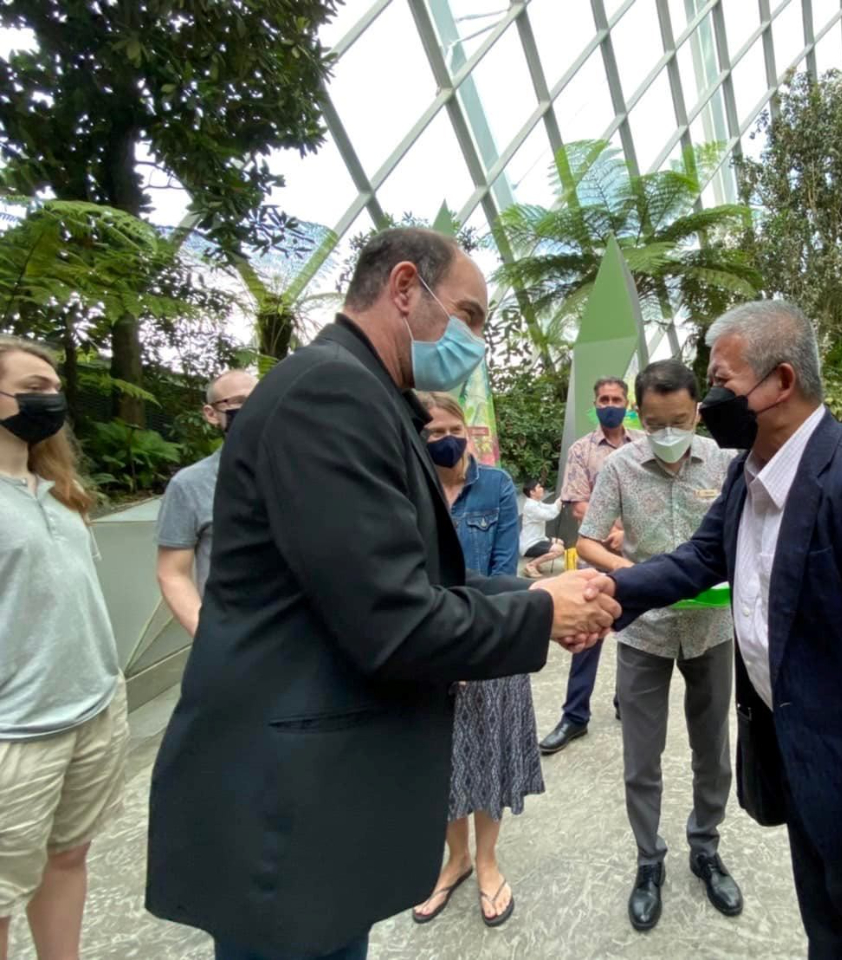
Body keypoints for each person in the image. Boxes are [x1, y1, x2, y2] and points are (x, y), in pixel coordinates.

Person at [145, 227, 618, 960]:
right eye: (469, 315)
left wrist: (540, 593)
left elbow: (405, 578)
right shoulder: (330, 394)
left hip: (313, 799)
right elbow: (393, 621)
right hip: (290, 807)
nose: (475, 341)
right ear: (403, 288)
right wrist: (541, 611)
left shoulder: (362, 393)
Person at [601, 302, 842, 959]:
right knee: (829, 944)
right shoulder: (751, 475)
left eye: (722, 382)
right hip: (816, 786)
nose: (711, 402)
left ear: (781, 382)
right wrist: (607, 595)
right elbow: (700, 558)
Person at [576, 359, 742, 933]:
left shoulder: (724, 461)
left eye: (679, 421)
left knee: (712, 749)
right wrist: (636, 577)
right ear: (638, 417)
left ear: (698, 411)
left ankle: (706, 848)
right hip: (644, 630)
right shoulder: (620, 466)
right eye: (653, 424)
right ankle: (649, 861)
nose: (667, 433)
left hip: (711, 629)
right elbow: (588, 540)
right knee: (641, 757)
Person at [0, 337, 130, 960]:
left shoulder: (60, 488)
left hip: (93, 710)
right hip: (16, 731)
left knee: (69, 856)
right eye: (33, 388)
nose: (50, 399)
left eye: (53, 388)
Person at [410, 392, 543, 929]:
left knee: (489, 757)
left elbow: (502, 571)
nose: (445, 440)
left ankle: (486, 861)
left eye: (453, 430)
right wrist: (443, 649)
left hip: (489, 639)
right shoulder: (409, 488)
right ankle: (456, 859)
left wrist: (472, 649)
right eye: (432, 433)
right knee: (442, 763)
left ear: (468, 431)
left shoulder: (496, 486)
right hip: (431, 644)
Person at [538, 377, 644, 755]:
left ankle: (625, 701)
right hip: (594, 556)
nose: (610, 405)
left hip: (637, 556)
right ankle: (575, 716)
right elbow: (577, 504)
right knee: (587, 633)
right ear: (595, 404)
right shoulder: (582, 449)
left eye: (616, 399)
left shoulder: (643, 445)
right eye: (604, 399)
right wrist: (613, 531)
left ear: (627, 404)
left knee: (635, 633)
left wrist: (628, 532)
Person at [155, 368, 258, 636]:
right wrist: (208, 637)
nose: (254, 409)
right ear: (211, 414)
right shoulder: (189, 485)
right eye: (240, 401)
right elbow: (172, 573)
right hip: (235, 635)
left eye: (261, 399)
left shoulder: (302, 473)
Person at [519, 479, 565, 578]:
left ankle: (535, 562)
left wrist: (562, 498)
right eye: (539, 487)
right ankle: (531, 565)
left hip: (539, 539)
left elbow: (552, 507)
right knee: (559, 550)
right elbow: (550, 515)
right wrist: (561, 500)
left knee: (560, 542)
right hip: (530, 544)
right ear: (532, 492)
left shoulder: (536, 503)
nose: (542, 489)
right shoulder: (531, 507)